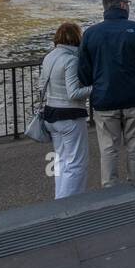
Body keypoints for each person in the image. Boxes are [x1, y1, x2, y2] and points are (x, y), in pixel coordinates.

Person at [76, 0, 135, 187]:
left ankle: (110, 188)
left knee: (108, 147)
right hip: (134, 96)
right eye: (128, 3)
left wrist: (94, 82)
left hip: (104, 99)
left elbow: (83, 71)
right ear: (123, 5)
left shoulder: (90, 33)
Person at [38, 22, 92, 199]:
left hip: (51, 113)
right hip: (70, 116)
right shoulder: (71, 59)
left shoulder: (49, 57)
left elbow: (41, 86)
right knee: (76, 163)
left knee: (60, 161)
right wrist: (96, 87)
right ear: (77, 38)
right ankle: (70, 204)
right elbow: (73, 93)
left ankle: (59, 199)